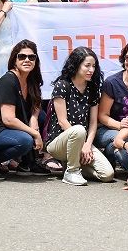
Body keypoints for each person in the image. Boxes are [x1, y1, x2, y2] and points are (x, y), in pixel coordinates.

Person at [44, 47, 115, 186]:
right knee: (78, 130)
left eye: (94, 66)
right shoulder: (62, 85)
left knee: (107, 174)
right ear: (76, 65)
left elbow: (93, 123)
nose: (91, 70)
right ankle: (72, 171)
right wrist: (81, 143)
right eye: (87, 65)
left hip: (83, 141)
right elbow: (62, 121)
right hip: (59, 141)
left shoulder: (92, 88)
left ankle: (71, 164)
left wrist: (87, 145)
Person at [0, 40, 43, 179]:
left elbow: (36, 101)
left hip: (7, 130)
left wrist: (34, 118)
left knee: (42, 116)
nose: (27, 60)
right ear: (14, 60)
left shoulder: (31, 78)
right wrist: (35, 134)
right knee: (25, 140)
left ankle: (27, 163)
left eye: (32, 57)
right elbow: (8, 119)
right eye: (22, 56)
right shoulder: (9, 81)